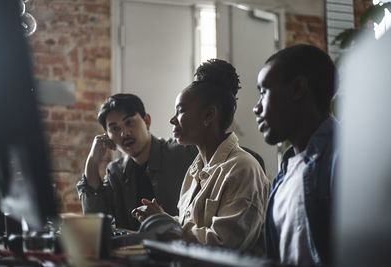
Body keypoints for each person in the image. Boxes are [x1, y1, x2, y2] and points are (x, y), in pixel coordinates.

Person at [132, 59, 269, 253]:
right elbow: (194, 226)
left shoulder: (243, 169)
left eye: (180, 110)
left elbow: (223, 245)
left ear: (208, 116)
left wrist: (163, 222)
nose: (172, 119)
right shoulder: (195, 169)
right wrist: (164, 218)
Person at [253, 44, 338, 266]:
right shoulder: (285, 173)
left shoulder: (343, 160)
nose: (256, 108)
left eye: (263, 92)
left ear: (297, 88)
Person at [77, 94, 198, 230]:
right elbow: (95, 223)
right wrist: (92, 162)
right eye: (115, 129)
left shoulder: (183, 152)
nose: (124, 133)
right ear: (108, 137)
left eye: (129, 122)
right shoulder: (115, 171)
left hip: (181, 246)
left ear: (146, 121)